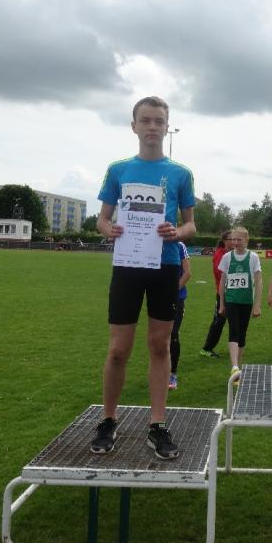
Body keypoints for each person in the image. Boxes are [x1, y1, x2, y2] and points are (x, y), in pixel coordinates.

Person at [90, 95, 196, 459]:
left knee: (159, 345)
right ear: (134, 126)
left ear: (166, 127)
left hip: (164, 266)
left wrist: (176, 233)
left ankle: (157, 423)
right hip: (127, 265)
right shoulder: (118, 170)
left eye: (159, 121)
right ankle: (108, 419)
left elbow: (191, 225)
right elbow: (102, 219)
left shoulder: (181, 173)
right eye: (146, 120)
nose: (153, 126)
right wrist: (109, 229)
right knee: (118, 349)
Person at [218, 226, 262, 382]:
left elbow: (259, 282)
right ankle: (234, 366)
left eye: (238, 239)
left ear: (246, 239)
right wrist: (221, 304)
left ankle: (238, 368)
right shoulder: (227, 257)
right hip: (231, 300)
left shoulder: (253, 257)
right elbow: (222, 281)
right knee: (234, 330)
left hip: (246, 301)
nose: (235, 242)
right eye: (233, 239)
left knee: (242, 333)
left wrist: (257, 305)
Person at [199, 230, 234, 358]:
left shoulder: (230, 253)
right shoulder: (220, 254)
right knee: (218, 321)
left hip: (233, 292)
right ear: (225, 241)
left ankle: (235, 347)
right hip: (223, 293)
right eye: (231, 239)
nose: (234, 241)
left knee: (233, 321)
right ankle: (206, 348)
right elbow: (220, 274)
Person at [169, 241, 191, 390]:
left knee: (173, 334)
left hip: (176, 297)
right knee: (158, 337)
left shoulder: (179, 245)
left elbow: (187, 273)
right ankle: (159, 372)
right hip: (156, 297)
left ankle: (172, 373)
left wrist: (172, 291)